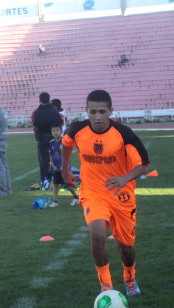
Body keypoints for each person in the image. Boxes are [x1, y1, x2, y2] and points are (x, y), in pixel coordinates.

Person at [61, 90, 149, 296]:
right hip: (92, 191)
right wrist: (65, 170)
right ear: (86, 112)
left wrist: (124, 178)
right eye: (93, 112)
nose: (98, 117)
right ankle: (106, 284)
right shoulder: (77, 130)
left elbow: (143, 164)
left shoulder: (123, 133)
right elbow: (65, 144)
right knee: (98, 235)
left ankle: (129, 276)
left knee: (125, 247)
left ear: (110, 111)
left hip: (122, 194)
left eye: (102, 111)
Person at [32, 92, 63, 188]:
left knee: (44, 160)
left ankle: (44, 180)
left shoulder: (37, 112)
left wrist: (36, 135)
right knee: (56, 158)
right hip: (53, 137)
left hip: (42, 138)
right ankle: (57, 178)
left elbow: (35, 126)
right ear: (49, 99)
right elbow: (60, 122)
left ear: (40, 100)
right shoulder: (54, 111)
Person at [48, 121, 78, 207]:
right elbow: (51, 154)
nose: (55, 132)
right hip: (56, 167)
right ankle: (55, 202)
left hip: (64, 167)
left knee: (67, 183)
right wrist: (52, 165)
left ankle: (75, 197)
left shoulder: (64, 141)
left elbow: (67, 154)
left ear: (61, 131)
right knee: (55, 184)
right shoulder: (51, 143)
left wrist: (63, 166)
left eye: (57, 130)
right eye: (53, 131)